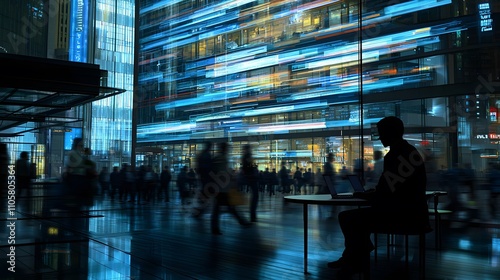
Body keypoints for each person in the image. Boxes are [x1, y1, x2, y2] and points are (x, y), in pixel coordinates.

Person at [327, 116, 429, 279]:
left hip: (402, 215)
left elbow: (386, 191)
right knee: (355, 219)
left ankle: (354, 259)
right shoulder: (409, 152)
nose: (379, 137)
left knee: (347, 218)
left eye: (381, 133)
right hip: (414, 213)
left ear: (390, 133)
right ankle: (355, 258)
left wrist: (367, 195)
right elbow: (392, 188)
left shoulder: (395, 155)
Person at [211, 142, 250, 234]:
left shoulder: (218, 158)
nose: (228, 150)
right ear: (224, 149)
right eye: (227, 148)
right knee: (228, 207)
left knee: (223, 207)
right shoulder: (222, 158)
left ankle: (215, 228)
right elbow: (223, 173)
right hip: (222, 188)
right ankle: (241, 221)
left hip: (219, 187)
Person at [242, 144, 258, 222]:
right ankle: (252, 215)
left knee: (255, 195)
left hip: (250, 177)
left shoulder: (246, 156)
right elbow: (249, 167)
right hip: (251, 177)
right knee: (255, 195)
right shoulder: (247, 156)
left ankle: (253, 215)